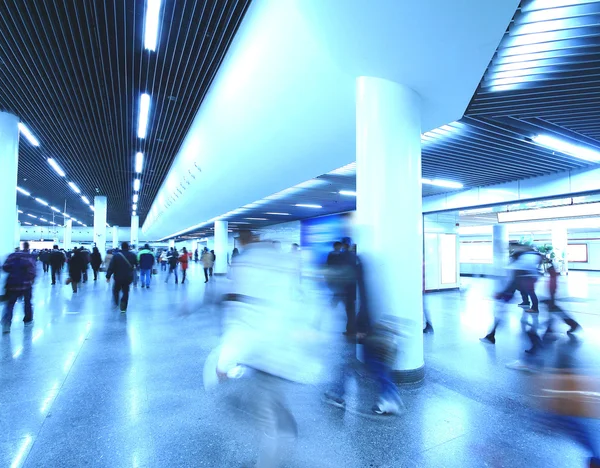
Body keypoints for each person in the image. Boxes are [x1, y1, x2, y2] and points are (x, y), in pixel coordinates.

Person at [1, 242, 37, 334]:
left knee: (10, 304)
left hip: (12, 283)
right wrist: (31, 279)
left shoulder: (12, 256)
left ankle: (6, 324)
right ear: (28, 248)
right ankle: (28, 321)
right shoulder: (29, 257)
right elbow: (33, 271)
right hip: (26, 284)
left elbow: (5, 267)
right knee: (27, 302)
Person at [106, 242, 137, 312]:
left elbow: (111, 267)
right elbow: (136, 264)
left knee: (116, 290)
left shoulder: (116, 256)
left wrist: (108, 276)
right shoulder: (132, 255)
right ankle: (123, 307)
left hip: (118, 277)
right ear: (128, 247)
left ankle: (116, 302)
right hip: (128, 277)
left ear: (121, 247)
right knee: (126, 291)